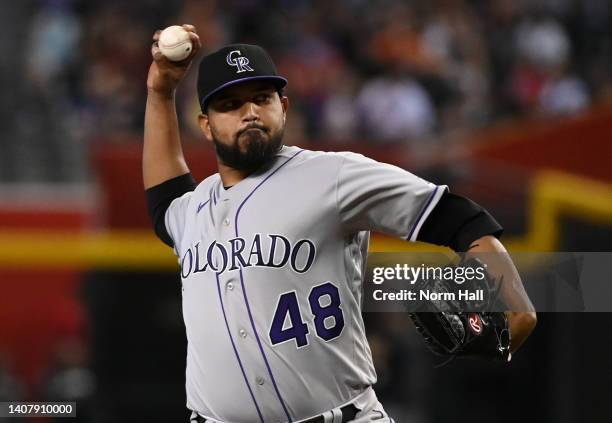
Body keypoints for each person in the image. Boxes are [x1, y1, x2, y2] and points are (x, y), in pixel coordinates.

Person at [144, 25, 536, 423]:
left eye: (261, 98)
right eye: (229, 104)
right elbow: (164, 200)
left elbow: (458, 217)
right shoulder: (190, 211)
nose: (249, 112)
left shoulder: (333, 176)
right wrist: (160, 93)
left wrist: (517, 308)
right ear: (205, 125)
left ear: (284, 106)